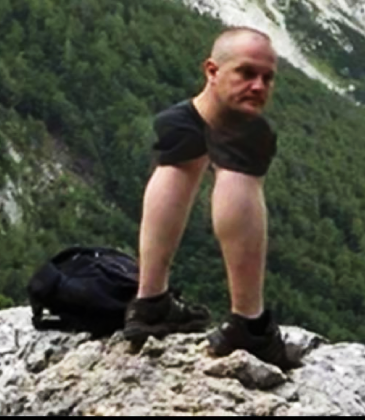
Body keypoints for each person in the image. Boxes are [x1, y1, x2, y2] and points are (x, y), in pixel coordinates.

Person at [122, 26, 295, 369]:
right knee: (240, 165)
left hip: (191, 114)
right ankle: (249, 323)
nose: (259, 86)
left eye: (267, 78)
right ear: (212, 71)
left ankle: (150, 301)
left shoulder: (182, 121)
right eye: (246, 73)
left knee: (177, 157)